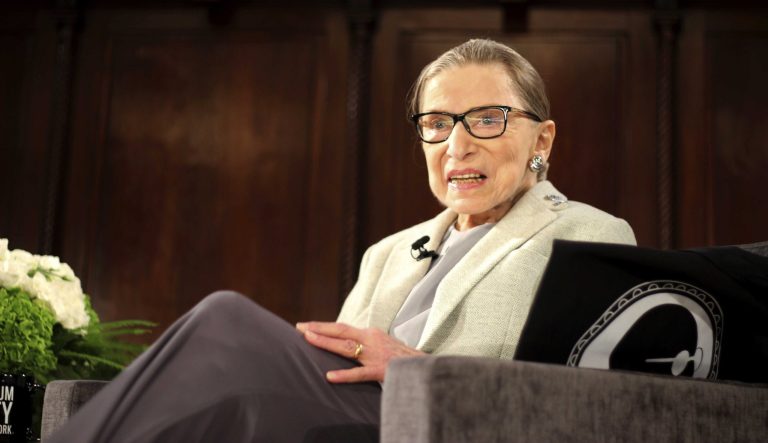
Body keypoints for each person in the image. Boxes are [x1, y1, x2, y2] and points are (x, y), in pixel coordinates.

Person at [48, 39, 636, 442]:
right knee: (223, 396)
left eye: (486, 118)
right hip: (344, 426)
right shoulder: (388, 253)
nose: (457, 146)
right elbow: (334, 373)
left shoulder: (590, 234)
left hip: (438, 427)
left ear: (542, 140)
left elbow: (587, 406)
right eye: (436, 124)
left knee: (225, 319)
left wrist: (415, 369)